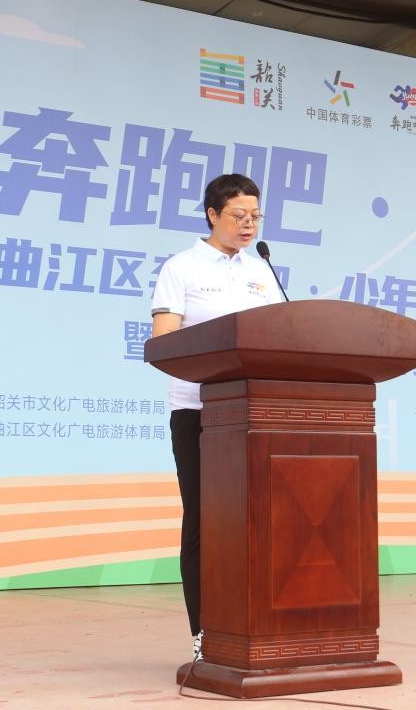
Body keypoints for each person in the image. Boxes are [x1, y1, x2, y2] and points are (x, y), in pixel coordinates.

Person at [149, 174, 283, 661]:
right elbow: (165, 341)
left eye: (255, 216)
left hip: (257, 412)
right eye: (238, 216)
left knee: (261, 519)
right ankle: (205, 633)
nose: (249, 225)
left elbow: (282, 335)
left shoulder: (261, 270)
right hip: (199, 411)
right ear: (212, 215)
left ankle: (260, 627)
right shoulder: (181, 267)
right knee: (205, 520)